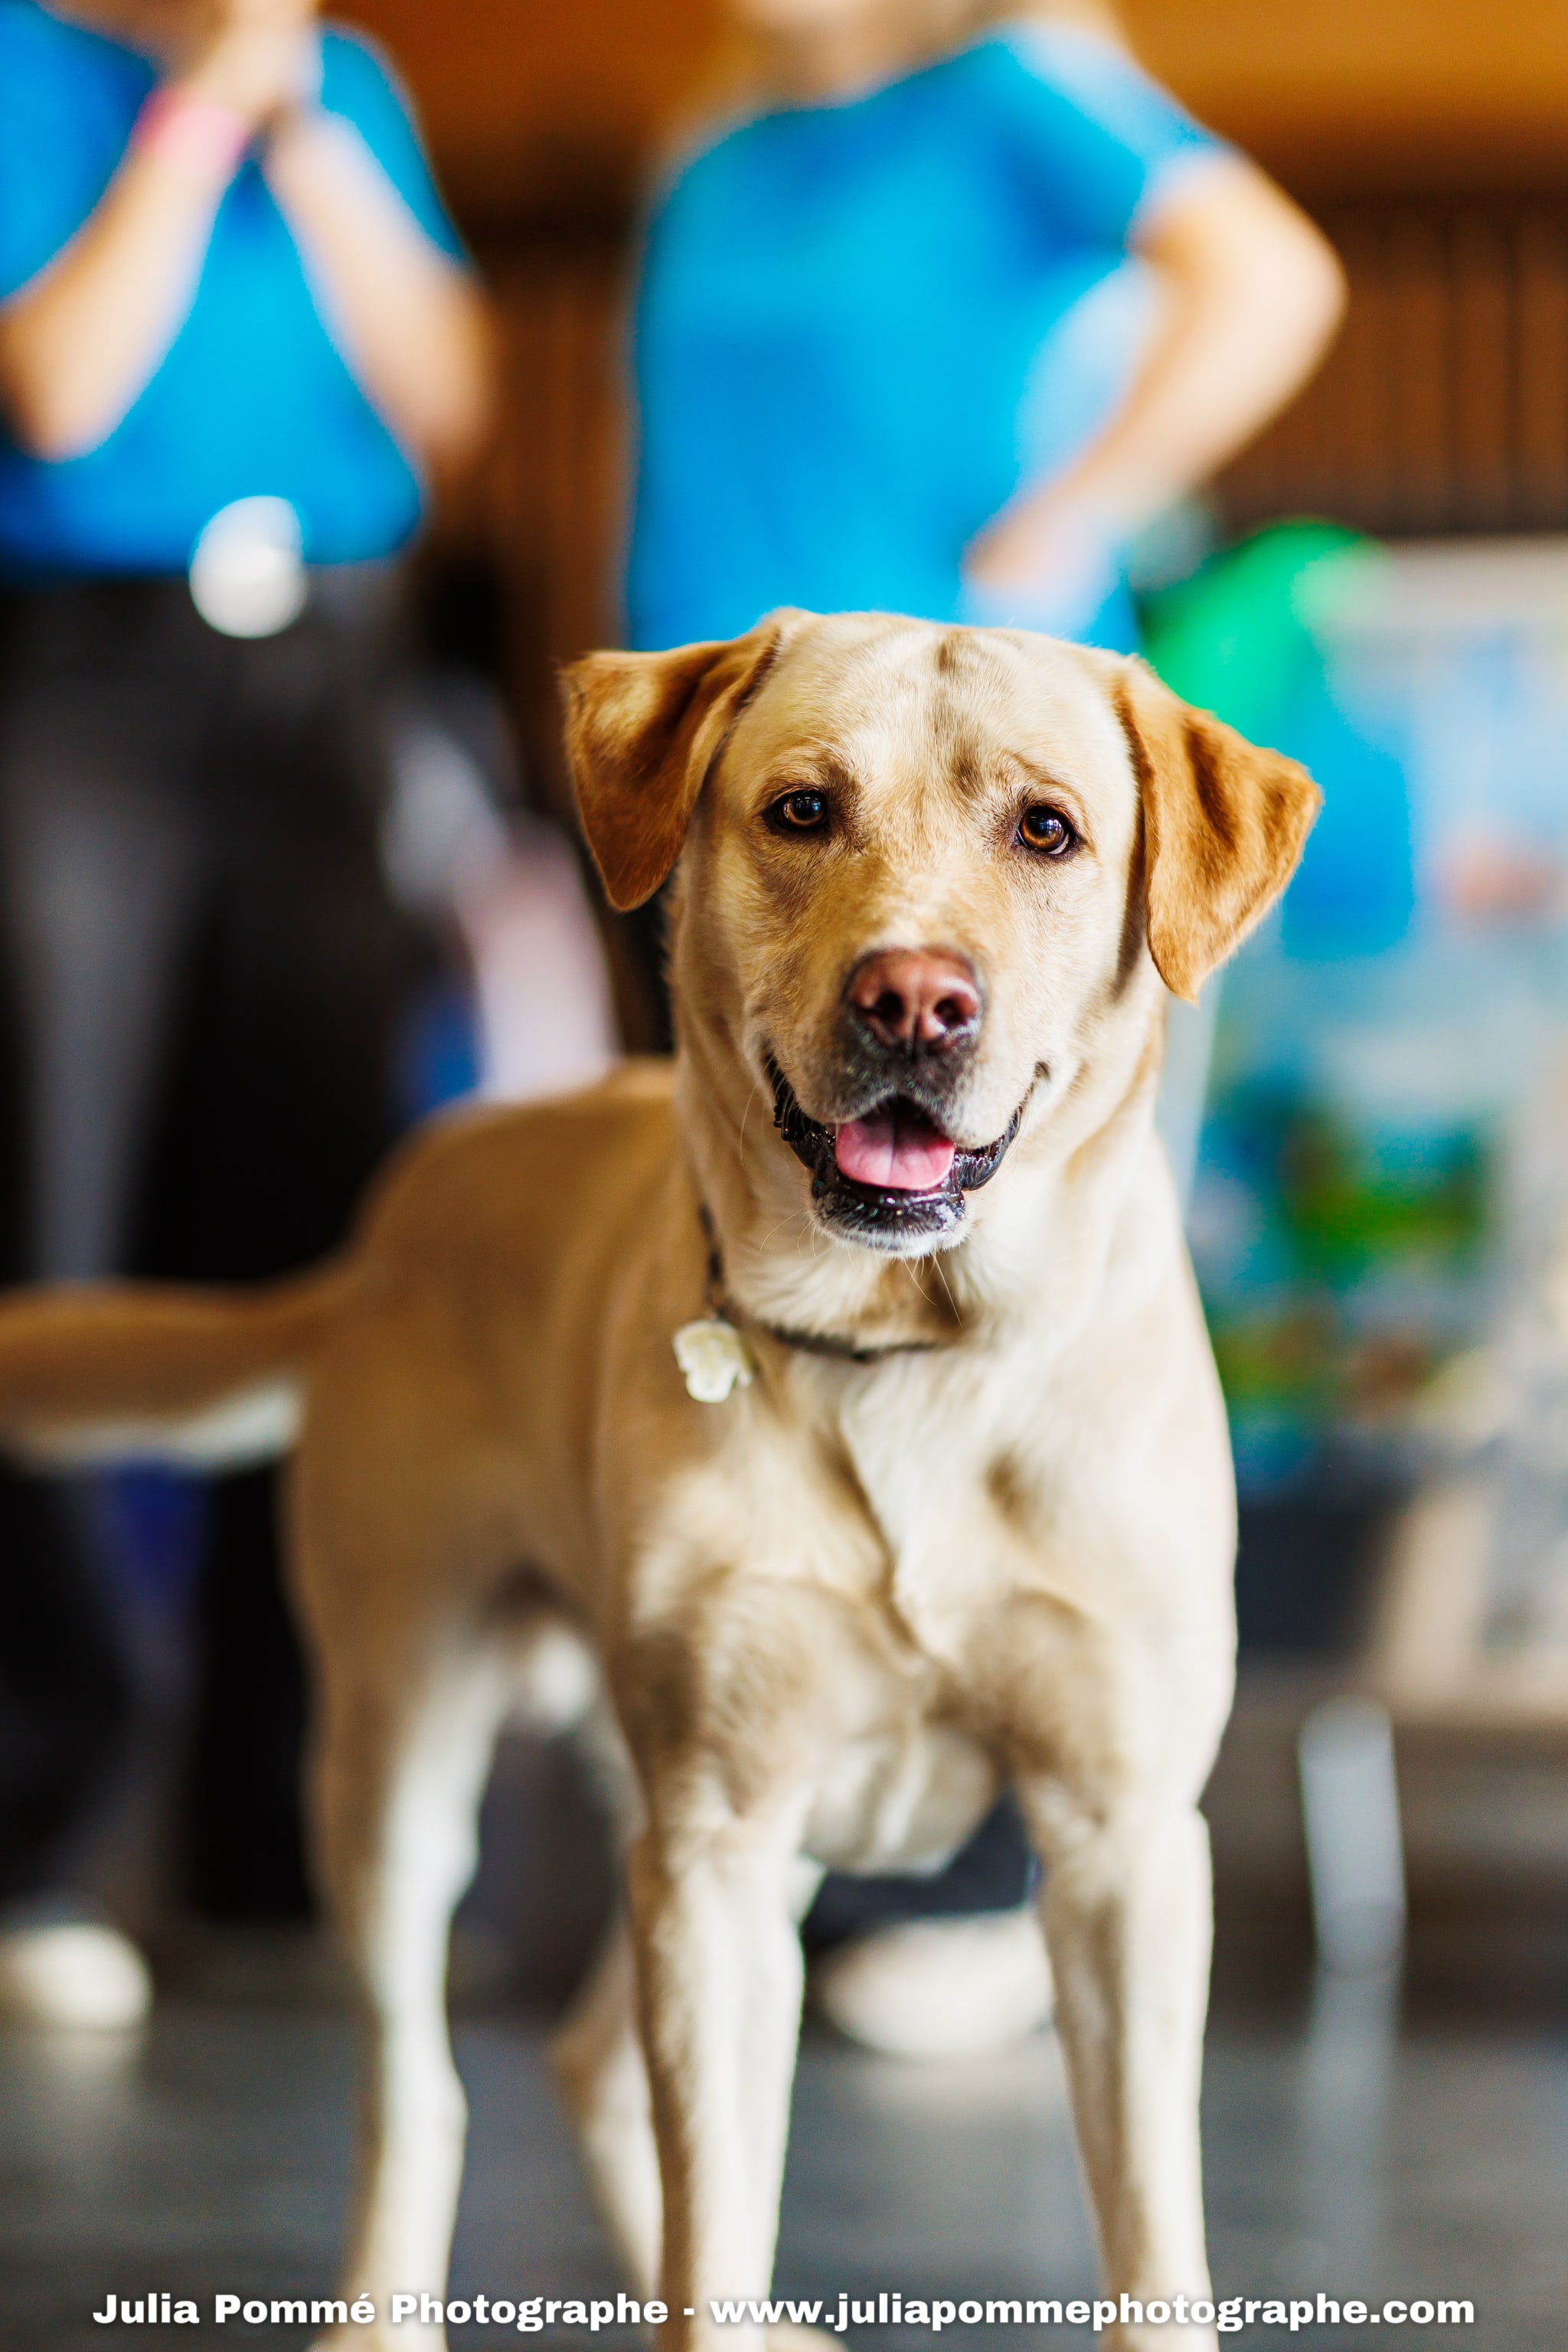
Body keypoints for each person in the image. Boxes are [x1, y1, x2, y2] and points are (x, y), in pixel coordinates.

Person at [625, 0, 1344, 2054]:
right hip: (741, 810)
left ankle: (983, 1877)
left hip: (982, 815)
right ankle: (774, 1824)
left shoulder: (1022, 83)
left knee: (1028, 1333)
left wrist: (1064, 517)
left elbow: (1272, 278)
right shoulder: (712, 145)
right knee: (755, 1337)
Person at [0, 0, 490, 2024]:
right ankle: (38, 1840)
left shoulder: (347, 82)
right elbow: (59, 392)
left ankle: (294, 1834)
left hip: (326, 680)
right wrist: (201, 113)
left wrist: (306, 131)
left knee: (318, 1246)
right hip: (71, 686)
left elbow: (450, 407)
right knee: (49, 1229)